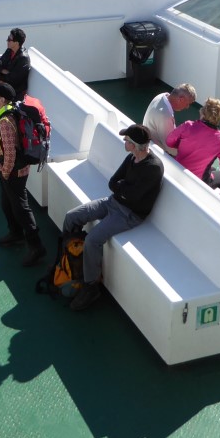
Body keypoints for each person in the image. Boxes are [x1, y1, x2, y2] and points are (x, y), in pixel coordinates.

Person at [62, 124, 164, 313]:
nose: (124, 142)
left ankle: (91, 287)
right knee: (72, 217)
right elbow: (113, 183)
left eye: (127, 140)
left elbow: (134, 197)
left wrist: (122, 189)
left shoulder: (153, 168)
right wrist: (123, 189)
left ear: (136, 145)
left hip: (130, 215)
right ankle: (71, 261)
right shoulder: (131, 157)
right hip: (113, 202)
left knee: (92, 240)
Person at [0, 81, 46, 266]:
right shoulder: (8, 112)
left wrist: (5, 172)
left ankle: (37, 247)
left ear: (1, 99)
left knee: (21, 209)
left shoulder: (5, 121)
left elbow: (11, 152)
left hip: (13, 171)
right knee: (7, 204)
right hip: (13, 168)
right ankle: (16, 234)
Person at [167, 98, 220, 197]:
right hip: (198, 182)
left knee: (212, 169)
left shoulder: (188, 126)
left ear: (202, 112)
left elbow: (169, 141)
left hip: (178, 171)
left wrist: (182, 145)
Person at [142, 84, 198, 154]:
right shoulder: (165, 116)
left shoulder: (161, 96)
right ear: (181, 99)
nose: (187, 107)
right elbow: (171, 148)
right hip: (155, 153)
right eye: (187, 104)